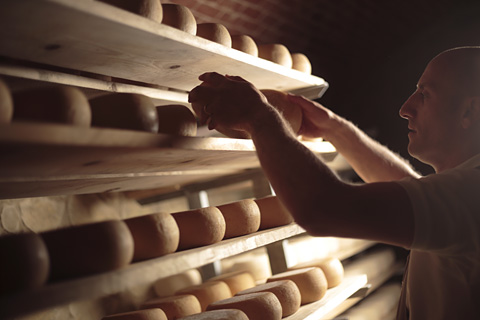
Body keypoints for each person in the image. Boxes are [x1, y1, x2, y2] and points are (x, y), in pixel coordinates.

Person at [188, 47, 480, 319]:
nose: (405, 108)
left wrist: (259, 117)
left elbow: (323, 208)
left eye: (425, 94)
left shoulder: (471, 194)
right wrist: (334, 129)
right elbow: (407, 186)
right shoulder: (462, 190)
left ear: (469, 111)